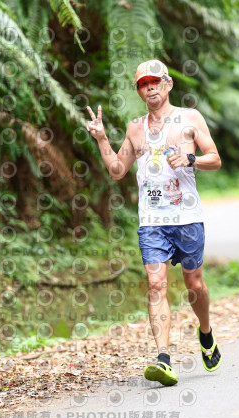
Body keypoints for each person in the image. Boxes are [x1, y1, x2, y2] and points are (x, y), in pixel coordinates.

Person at [85, 59, 222, 386]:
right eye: (143, 84)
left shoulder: (190, 118)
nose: (150, 88)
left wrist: (190, 158)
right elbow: (117, 170)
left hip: (187, 217)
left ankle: (205, 331)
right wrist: (101, 138)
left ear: (168, 84)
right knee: (156, 284)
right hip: (152, 221)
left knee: (194, 285)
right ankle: (163, 358)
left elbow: (215, 159)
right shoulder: (135, 128)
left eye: (155, 82)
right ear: (139, 91)